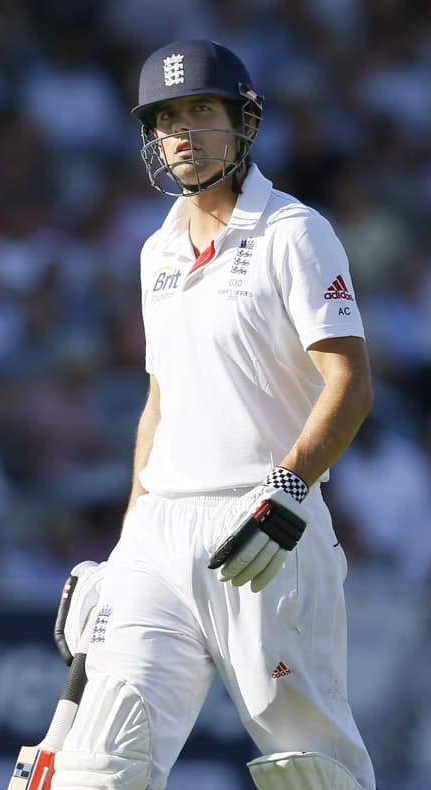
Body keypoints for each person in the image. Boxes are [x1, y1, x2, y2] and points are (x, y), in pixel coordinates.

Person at [50, 39, 376, 790]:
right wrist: (126, 546)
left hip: (265, 529)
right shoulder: (155, 253)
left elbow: (350, 380)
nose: (184, 131)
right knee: (99, 769)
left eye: (201, 109)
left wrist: (289, 491)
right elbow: (160, 403)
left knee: (311, 772)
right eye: (167, 118)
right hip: (159, 539)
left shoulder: (295, 232)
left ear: (244, 121)